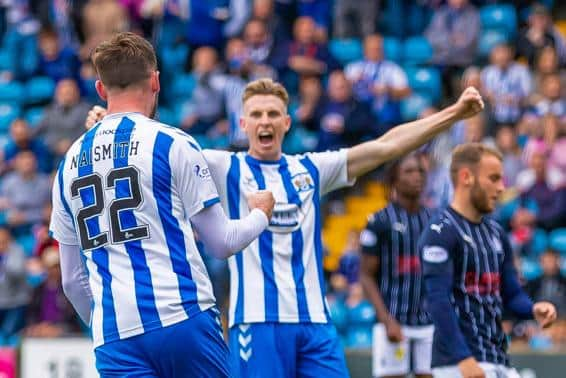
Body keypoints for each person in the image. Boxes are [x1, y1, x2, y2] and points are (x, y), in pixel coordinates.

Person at [88, 75, 486, 377]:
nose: (265, 121)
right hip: (255, 325)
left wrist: (455, 113)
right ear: (243, 124)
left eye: (273, 114)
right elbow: (155, 149)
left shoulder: (310, 169)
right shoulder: (222, 165)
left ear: (287, 122)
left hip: (314, 324)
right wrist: (114, 124)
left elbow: (387, 146)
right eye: (257, 115)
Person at [49, 32, 275, 378]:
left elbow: (72, 281)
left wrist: (104, 323)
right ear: (155, 81)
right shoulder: (172, 143)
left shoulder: (68, 163)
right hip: (181, 317)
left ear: (100, 89)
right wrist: (261, 212)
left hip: (114, 335)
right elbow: (222, 241)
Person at [419, 143, 557, 378]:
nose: (502, 188)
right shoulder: (440, 232)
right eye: (493, 179)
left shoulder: (495, 232)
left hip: (497, 357)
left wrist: (533, 309)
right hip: (460, 363)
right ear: (466, 177)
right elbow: (437, 301)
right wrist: (462, 359)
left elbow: (511, 294)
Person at [360, 153, 434, 378]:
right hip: (393, 320)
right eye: (409, 171)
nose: (417, 177)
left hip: (428, 323)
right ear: (394, 179)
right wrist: (386, 320)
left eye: (420, 171)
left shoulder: (434, 221)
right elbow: (366, 276)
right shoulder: (379, 221)